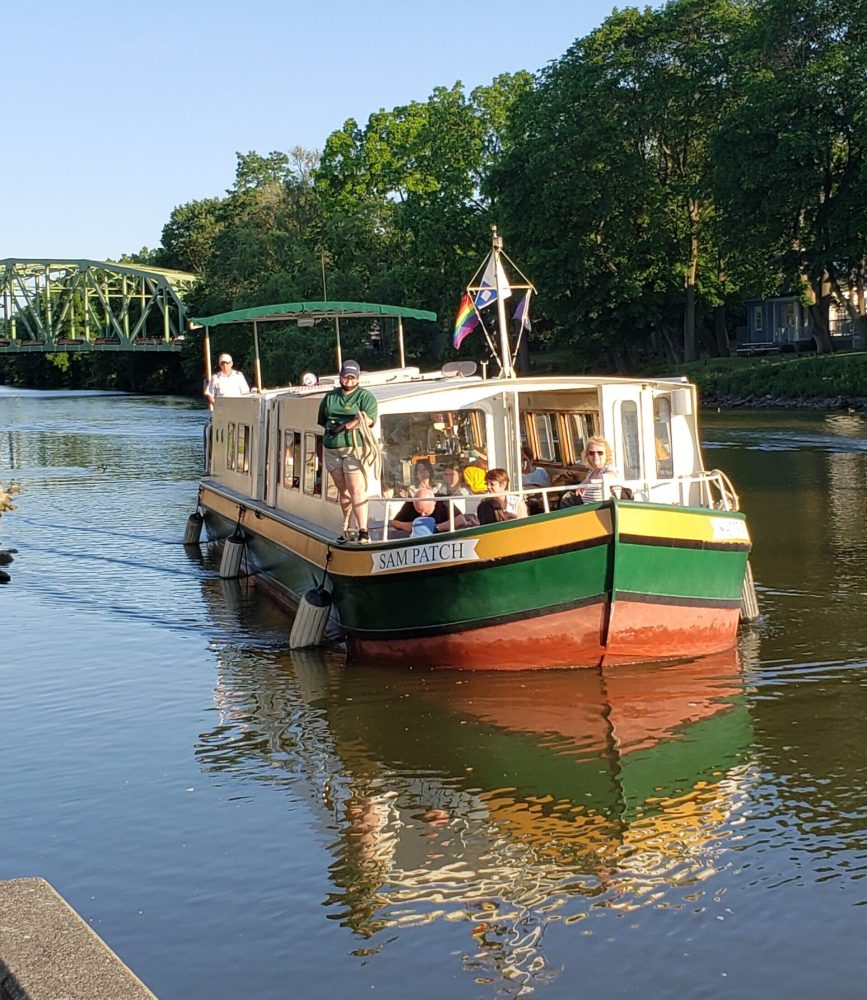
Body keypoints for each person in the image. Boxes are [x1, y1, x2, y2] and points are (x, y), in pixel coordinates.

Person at [317, 360, 379, 543]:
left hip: (354, 448)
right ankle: (349, 528)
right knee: (343, 491)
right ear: (340, 377)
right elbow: (322, 420)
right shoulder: (330, 397)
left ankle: (363, 531)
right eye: (346, 376)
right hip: (332, 448)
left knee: (356, 490)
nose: (349, 380)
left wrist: (351, 424)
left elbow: (369, 418)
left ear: (358, 378)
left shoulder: (365, 397)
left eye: (352, 377)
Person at [388, 488, 466, 535]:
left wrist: (435, 528)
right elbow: (394, 522)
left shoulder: (444, 501)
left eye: (426, 512)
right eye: (418, 510)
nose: (422, 514)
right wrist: (410, 526)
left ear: (434, 503)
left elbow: (461, 520)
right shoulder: (410, 503)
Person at [575, 437, 622, 503]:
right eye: (591, 453)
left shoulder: (610, 469)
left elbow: (607, 476)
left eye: (600, 453)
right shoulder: (590, 473)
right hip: (589, 511)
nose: (595, 456)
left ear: (607, 455)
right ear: (587, 455)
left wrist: (585, 483)